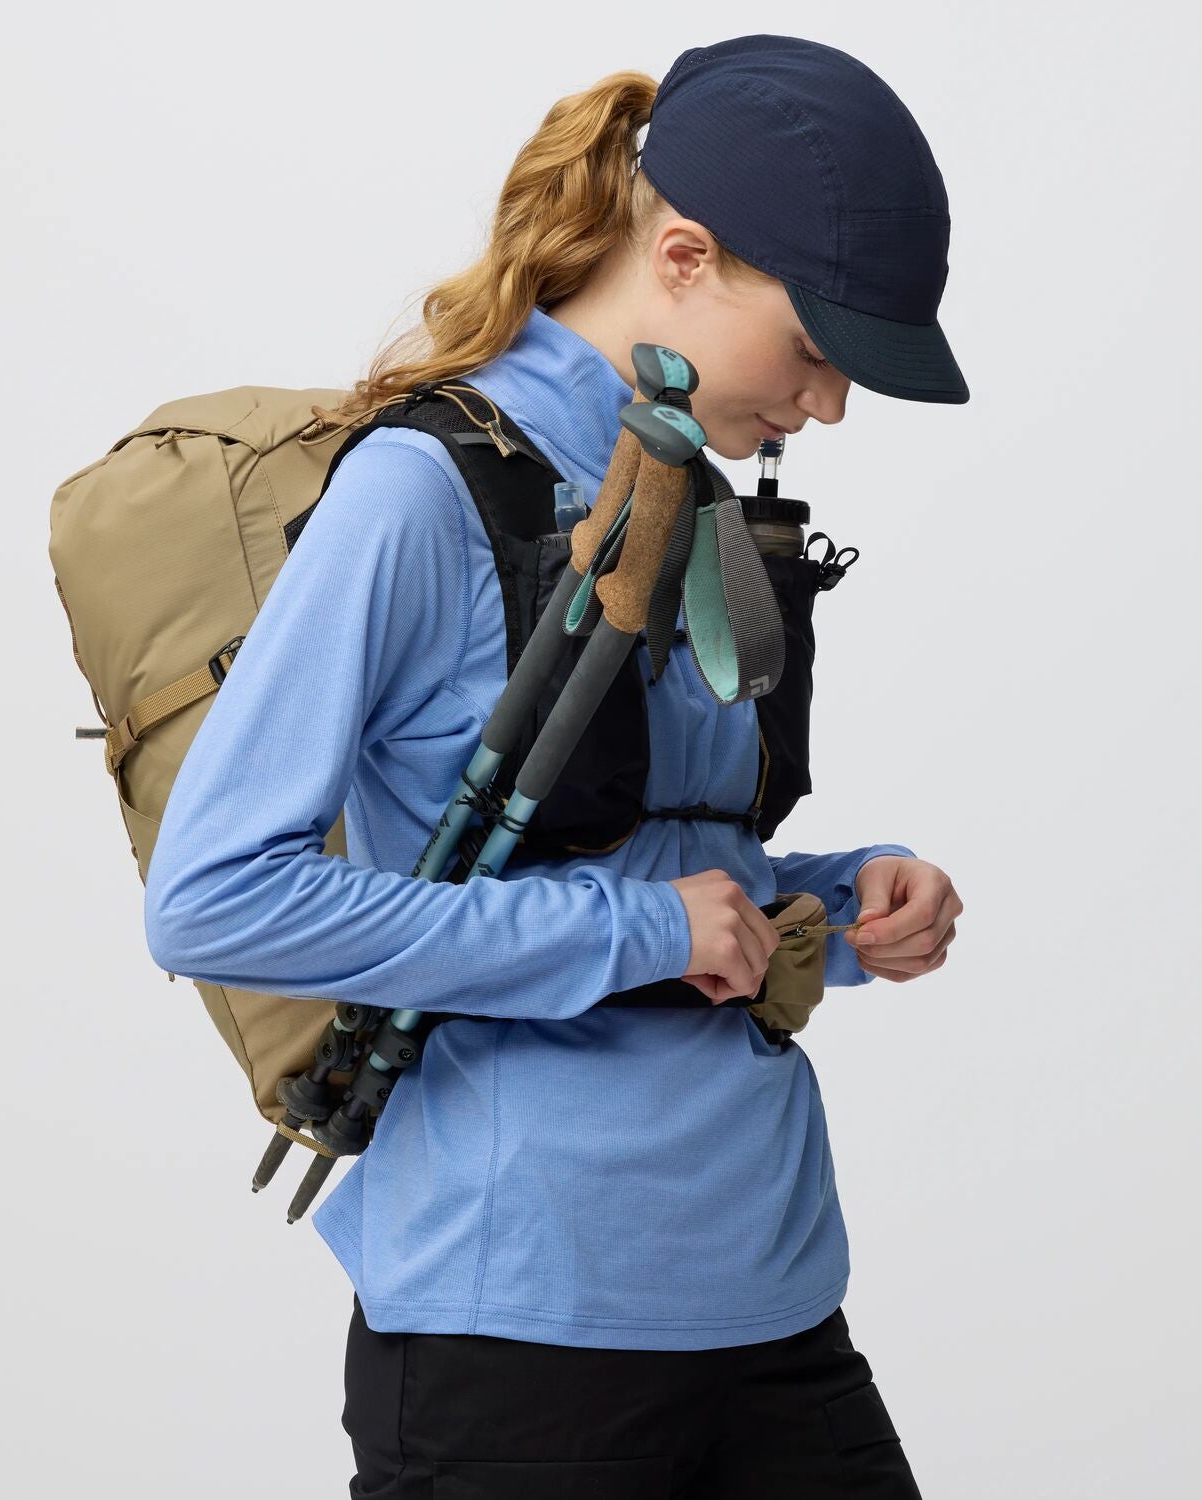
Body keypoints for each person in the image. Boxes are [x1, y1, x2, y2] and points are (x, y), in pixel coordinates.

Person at [143, 33, 966, 1499]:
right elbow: (210, 900)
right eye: (820, 347)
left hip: (773, 1304)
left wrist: (834, 910)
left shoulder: (695, 500)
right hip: (519, 1341)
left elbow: (670, 855)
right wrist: (641, 930)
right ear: (690, 258)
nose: (830, 405)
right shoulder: (419, 490)